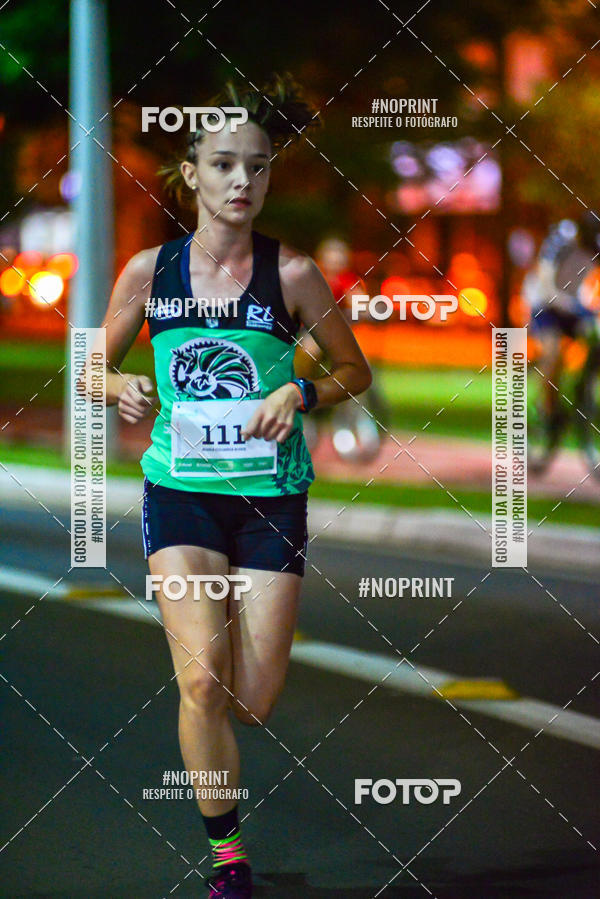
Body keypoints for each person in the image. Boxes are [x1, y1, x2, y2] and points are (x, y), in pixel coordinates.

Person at [94, 75, 371, 898]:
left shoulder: (294, 277)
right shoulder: (151, 272)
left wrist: (303, 389)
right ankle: (229, 861)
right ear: (192, 175)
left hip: (270, 500)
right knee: (201, 682)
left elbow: (354, 366)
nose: (242, 181)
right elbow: (91, 366)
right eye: (224, 165)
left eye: (257, 167)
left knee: (251, 701)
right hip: (179, 491)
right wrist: (118, 388)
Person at [523, 212, 600, 426]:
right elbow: (547, 283)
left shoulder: (593, 244)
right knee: (553, 353)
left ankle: (583, 391)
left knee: (594, 340)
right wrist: (574, 304)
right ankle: (547, 410)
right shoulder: (560, 239)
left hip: (573, 308)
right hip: (545, 305)